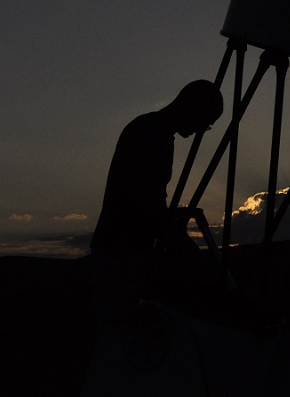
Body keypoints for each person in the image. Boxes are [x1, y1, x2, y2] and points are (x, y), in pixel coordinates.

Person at [89, 79, 224, 325]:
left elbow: (147, 196)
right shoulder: (153, 135)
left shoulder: (149, 129)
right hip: (121, 254)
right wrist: (181, 242)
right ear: (193, 108)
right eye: (206, 123)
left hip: (120, 250)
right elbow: (142, 200)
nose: (200, 130)